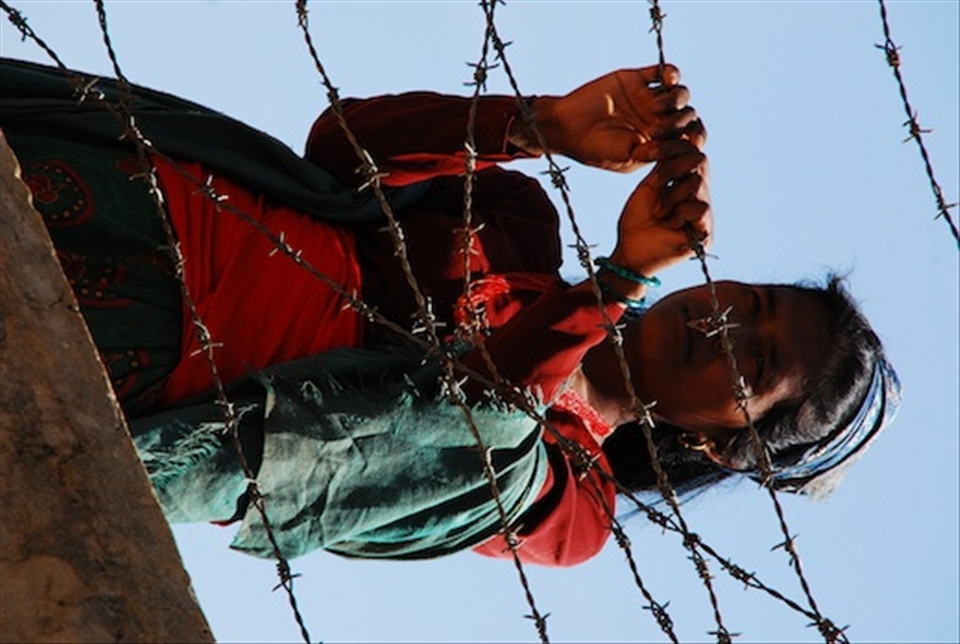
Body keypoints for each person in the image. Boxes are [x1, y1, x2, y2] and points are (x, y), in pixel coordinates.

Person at [0, 57, 899, 566]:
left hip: (154, 380)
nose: (726, 326)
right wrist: (541, 124)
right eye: (753, 303)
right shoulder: (519, 229)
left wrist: (620, 278)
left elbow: (472, 418)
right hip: (132, 193)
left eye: (757, 361)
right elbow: (339, 150)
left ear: (722, 441)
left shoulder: (569, 499)